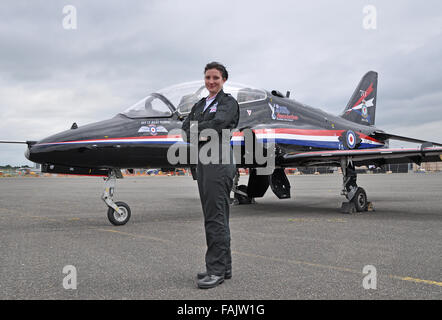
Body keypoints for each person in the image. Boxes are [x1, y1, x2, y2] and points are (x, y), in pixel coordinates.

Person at [182, 62, 239, 289]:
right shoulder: (200, 104)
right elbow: (186, 128)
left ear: (224, 79)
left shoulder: (229, 103)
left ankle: (215, 270)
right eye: (207, 77)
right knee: (214, 216)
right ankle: (224, 267)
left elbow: (218, 124)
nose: (211, 81)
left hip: (219, 162)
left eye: (215, 77)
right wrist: (201, 131)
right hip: (204, 163)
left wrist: (201, 130)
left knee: (216, 217)